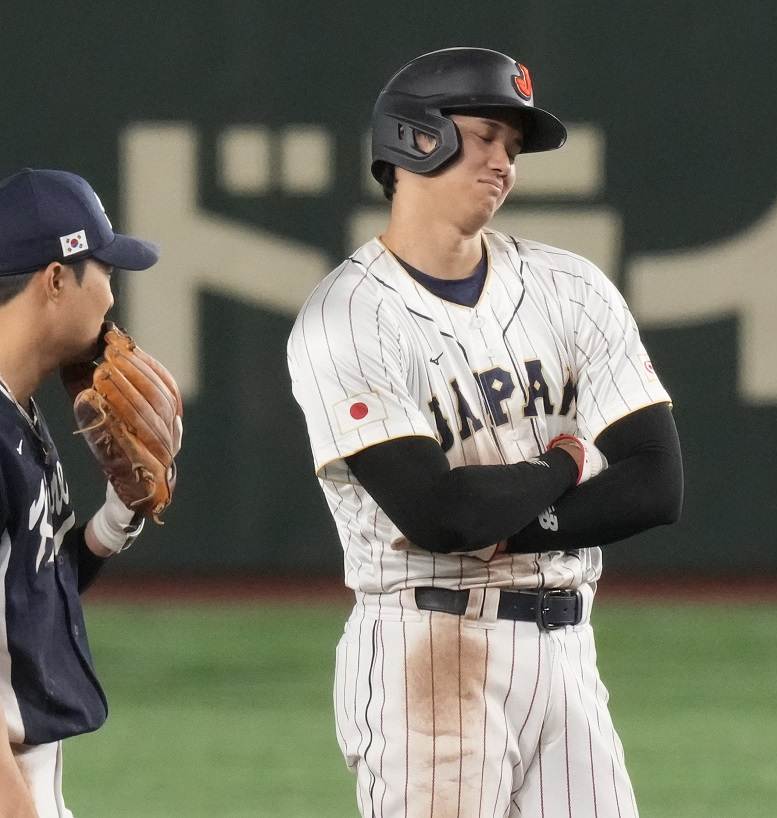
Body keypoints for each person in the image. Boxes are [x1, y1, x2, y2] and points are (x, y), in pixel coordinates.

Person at [287, 47, 683, 818]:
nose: (504, 160)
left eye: (513, 147)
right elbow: (444, 516)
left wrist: (521, 524)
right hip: (426, 656)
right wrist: (568, 463)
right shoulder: (347, 316)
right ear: (414, 138)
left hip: (567, 652)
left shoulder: (571, 288)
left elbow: (656, 484)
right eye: (486, 135)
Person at [0, 169, 164, 817]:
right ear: (57, 279)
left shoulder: (20, 411)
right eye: (105, 270)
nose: (112, 297)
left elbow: (32, 585)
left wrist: (120, 511)